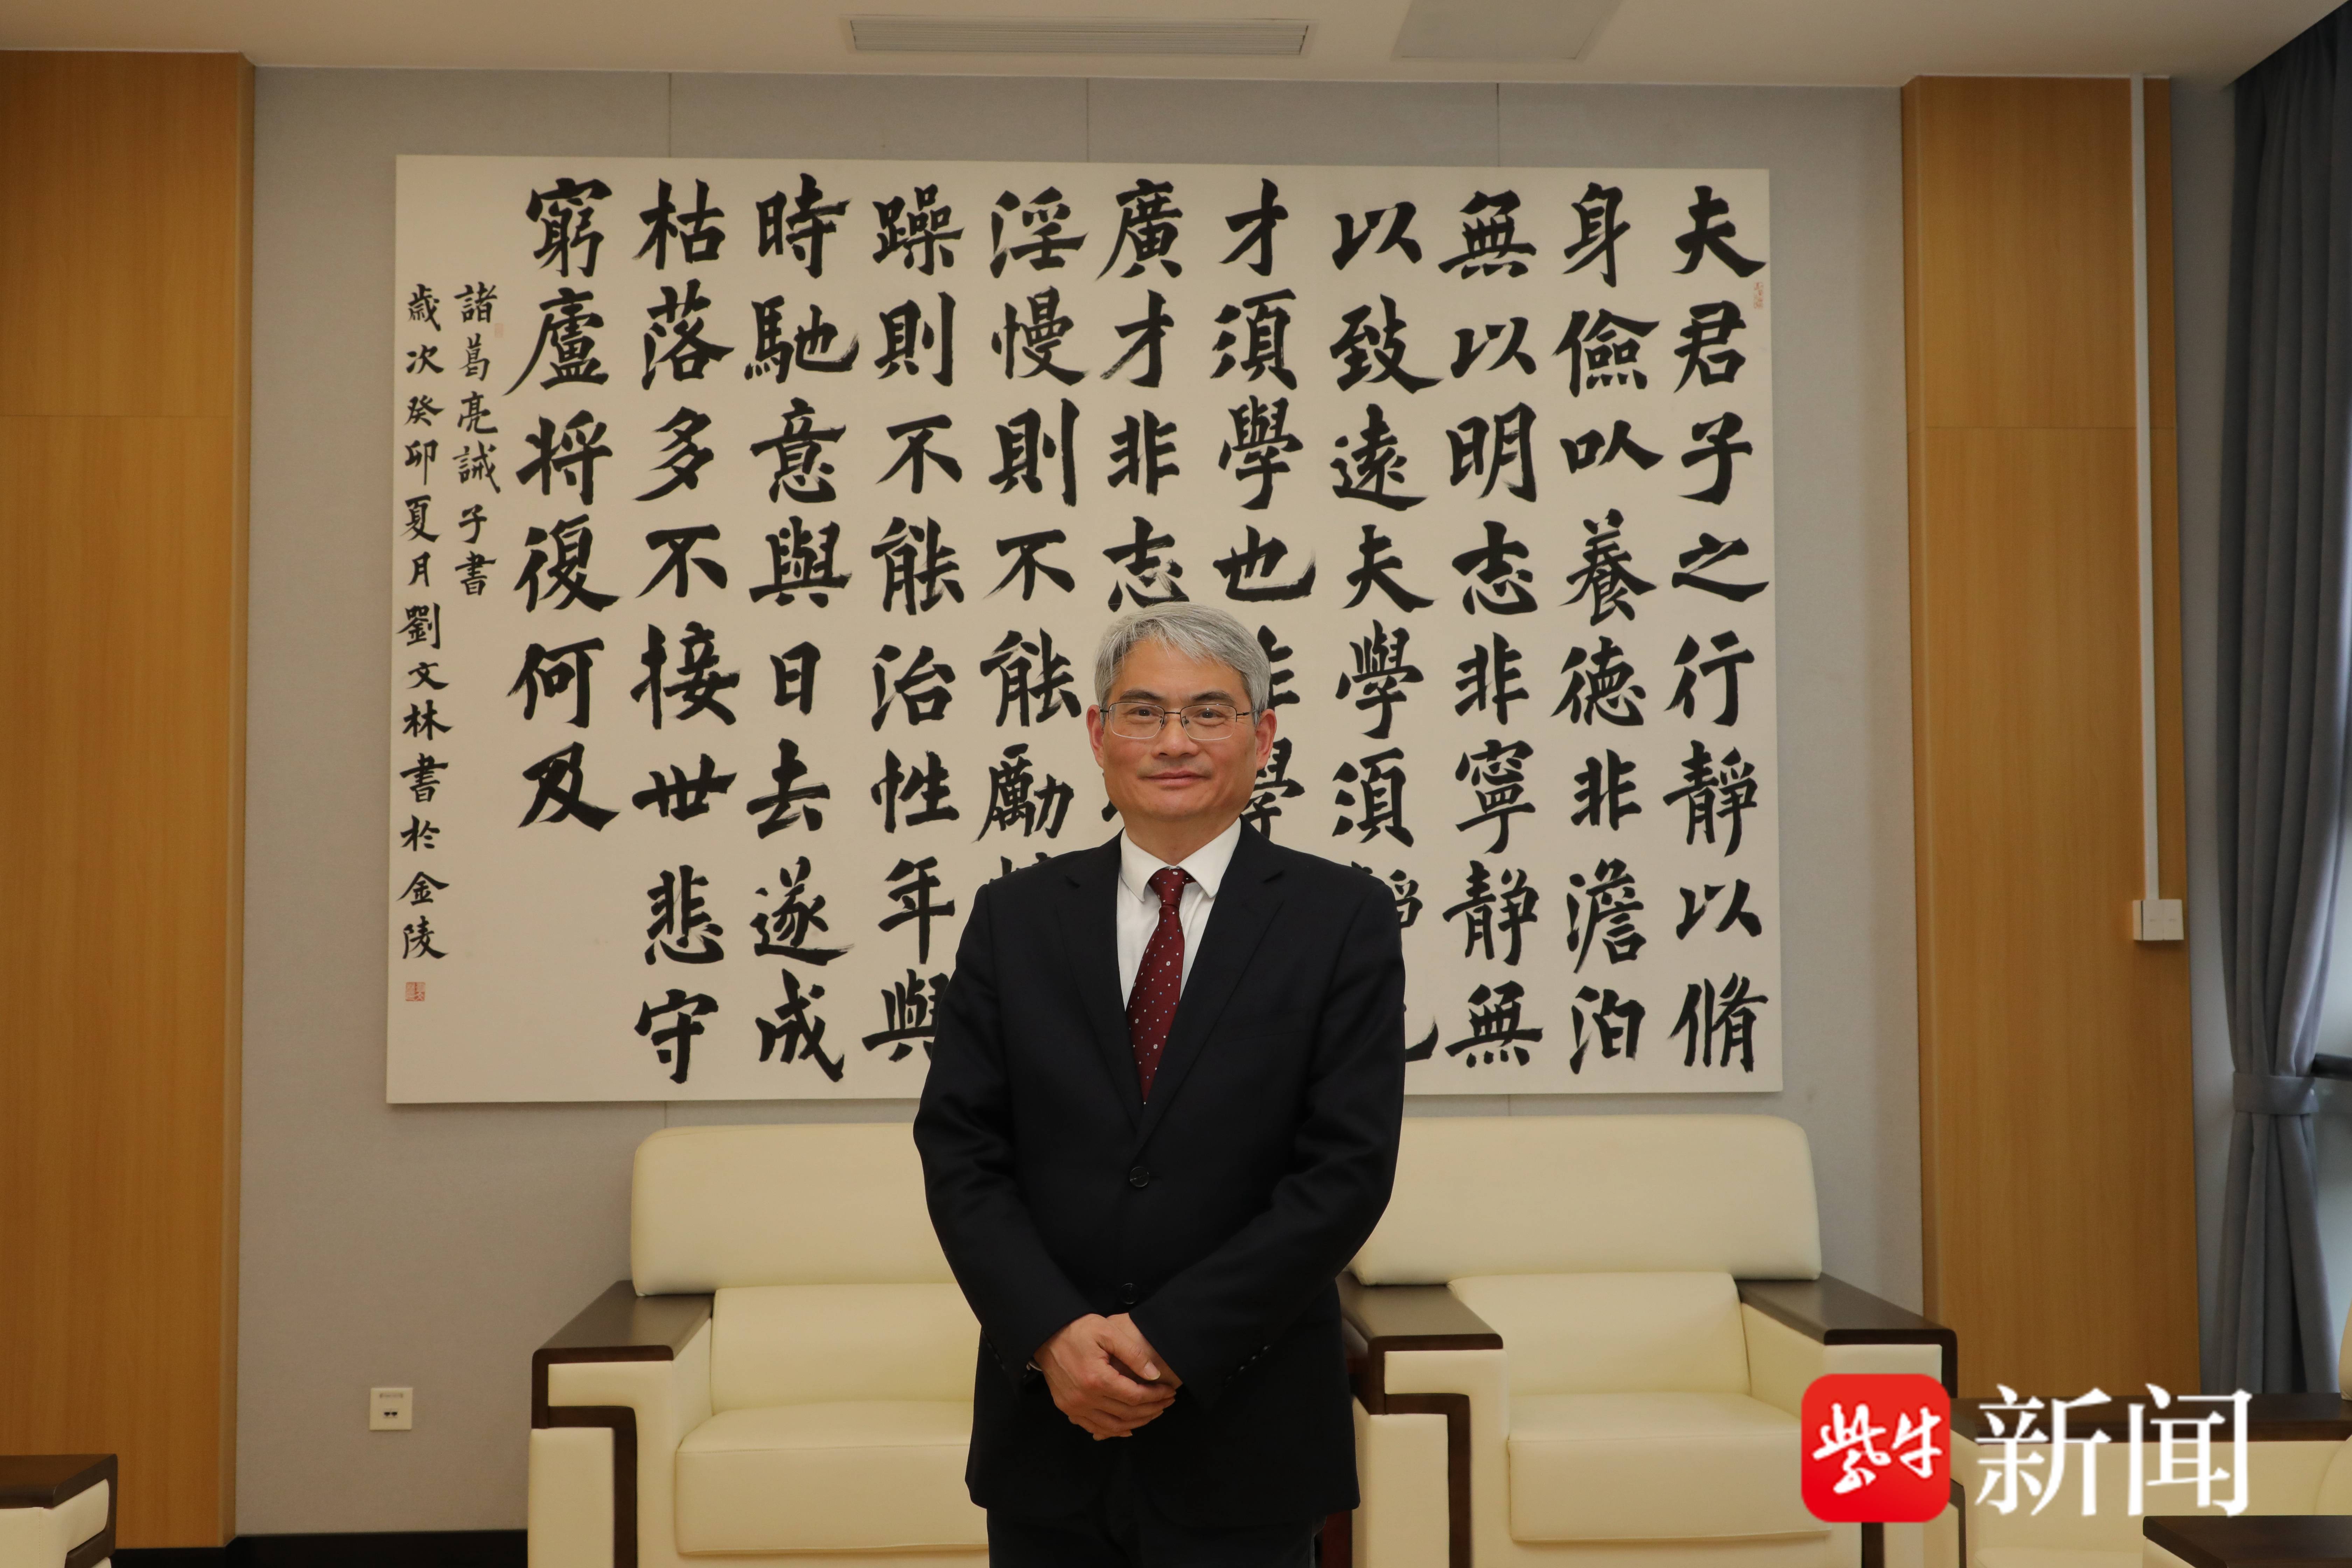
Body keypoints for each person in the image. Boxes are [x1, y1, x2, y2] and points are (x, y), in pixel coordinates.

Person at [913, 603, 1408, 1567]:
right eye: (1144, 712)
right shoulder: (1014, 917)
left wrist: (1167, 1341)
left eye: (1209, 713)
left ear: (1263, 736)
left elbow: (1345, 1171)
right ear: (1099, 735)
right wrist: (1053, 1335)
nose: (1174, 742)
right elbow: (962, 1150)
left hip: (1248, 1429)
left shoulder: (1342, 917)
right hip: (1049, 1427)